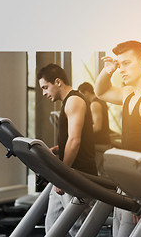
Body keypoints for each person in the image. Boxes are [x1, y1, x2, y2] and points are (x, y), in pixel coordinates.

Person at [94, 40, 141, 237]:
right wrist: (109, 70)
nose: (121, 70)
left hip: (139, 186)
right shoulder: (129, 93)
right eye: (119, 65)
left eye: (126, 63)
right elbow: (100, 92)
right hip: (125, 183)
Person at [37, 64, 97, 236]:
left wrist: (62, 176)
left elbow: (75, 140)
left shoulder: (74, 100)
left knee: (78, 229)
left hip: (77, 175)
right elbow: (74, 138)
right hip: (66, 174)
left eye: (45, 87)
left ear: (58, 82)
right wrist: (58, 148)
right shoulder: (68, 102)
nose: (43, 93)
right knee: (52, 226)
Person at [78, 82, 111, 175]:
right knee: (101, 173)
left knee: (98, 174)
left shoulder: (95, 104)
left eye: (81, 95)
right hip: (102, 143)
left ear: (86, 92)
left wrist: (81, 134)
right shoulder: (100, 102)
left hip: (99, 144)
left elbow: (97, 126)